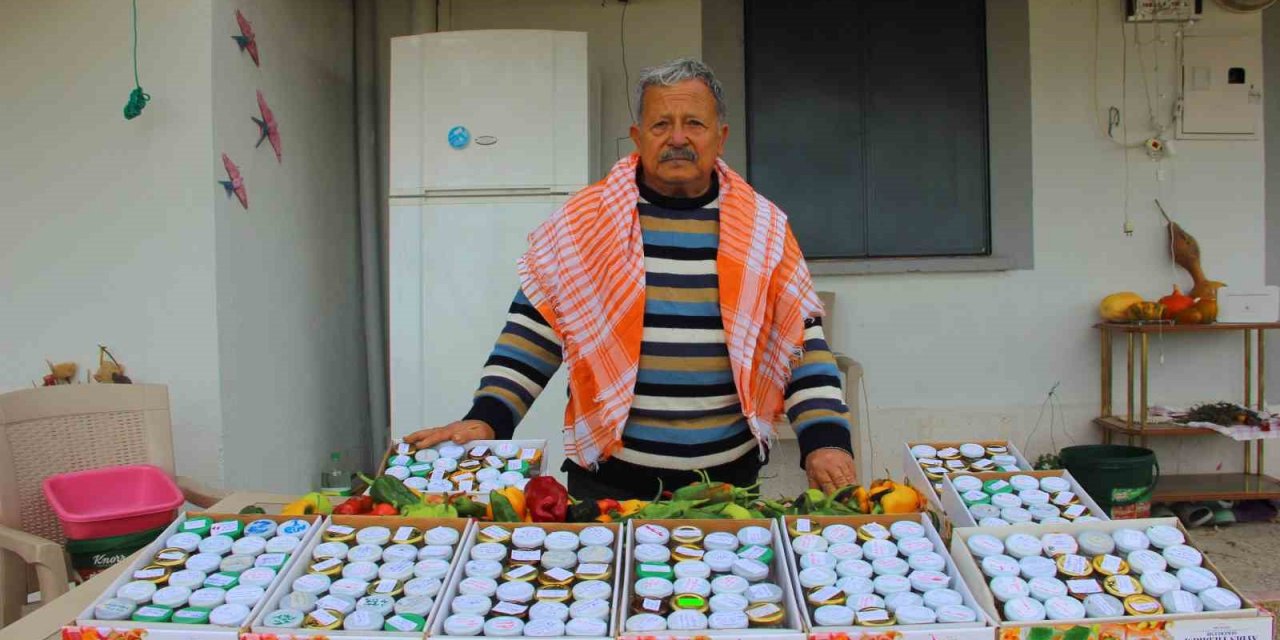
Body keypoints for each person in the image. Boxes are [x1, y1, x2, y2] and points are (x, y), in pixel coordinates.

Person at [406, 58, 856, 499]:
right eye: (661, 124)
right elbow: (532, 334)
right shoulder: (584, 223)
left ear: (720, 137)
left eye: (694, 123)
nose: (677, 138)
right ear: (638, 137)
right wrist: (487, 418)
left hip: (725, 490)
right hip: (608, 487)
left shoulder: (765, 229)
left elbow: (800, 343)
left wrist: (826, 441)